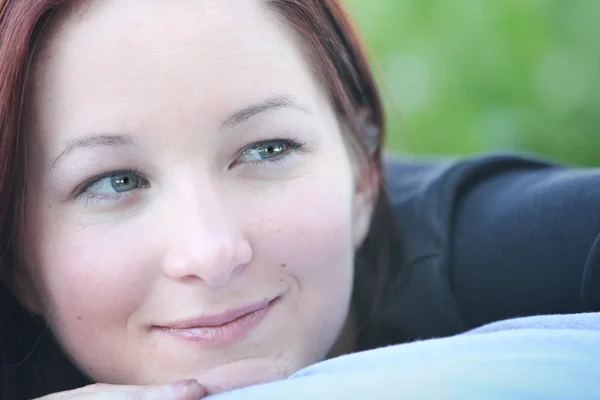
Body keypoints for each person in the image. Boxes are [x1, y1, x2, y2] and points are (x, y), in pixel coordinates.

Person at [0, 0, 598, 399]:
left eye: (266, 149)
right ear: (15, 256)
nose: (211, 252)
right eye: (115, 182)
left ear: (363, 174)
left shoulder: (496, 250)